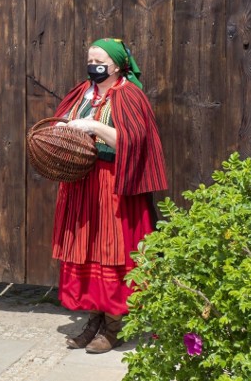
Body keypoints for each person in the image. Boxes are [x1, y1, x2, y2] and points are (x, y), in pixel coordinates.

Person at [52, 38, 167, 353]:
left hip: (113, 183)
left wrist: (93, 127)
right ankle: (95, 319)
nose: (93, 64)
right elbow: (64, 120)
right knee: (87, 248)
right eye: (90, 58)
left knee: (111, 250)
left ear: (117, 65)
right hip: (83, 182)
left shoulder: (129, 96)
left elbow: (132, 141)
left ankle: (115, 324)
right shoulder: (83, 92)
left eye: (99, 59)